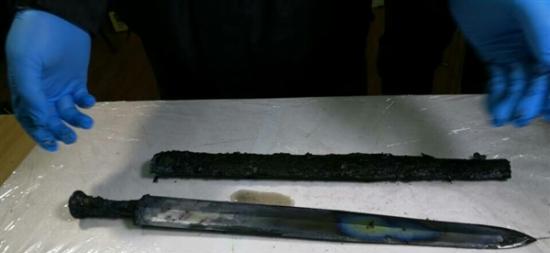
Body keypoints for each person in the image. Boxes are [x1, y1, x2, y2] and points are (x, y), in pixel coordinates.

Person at [4, 0, 550, 152]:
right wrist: (61, 4)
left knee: (332, 132)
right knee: (201, 134)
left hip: (319, 36)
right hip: (185, 39)